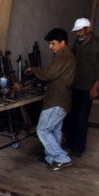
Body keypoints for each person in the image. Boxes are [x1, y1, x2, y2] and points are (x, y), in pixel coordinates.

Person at [25, 27, 76, 171]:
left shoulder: (63, 56)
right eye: (49, 44)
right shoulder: (65, 55)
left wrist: (34, 70)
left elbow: (49, 73)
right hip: (61, 99)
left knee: (42, 129)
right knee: (54, 130)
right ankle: (52, 158)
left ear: (63, 42)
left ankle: (61, 158)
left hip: (56, 100)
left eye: (53, 43)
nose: (50, 47)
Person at [64, 17, 99, 157]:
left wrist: (96, 86)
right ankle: (70, 143)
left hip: (88, 87)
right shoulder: (77, 43)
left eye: (80, 30)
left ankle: (79, 148)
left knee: (82, 118)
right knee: (70, 117)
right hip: (74, 85)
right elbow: (70, 58)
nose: (77, 33)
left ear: (88, 29)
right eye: (76, 31)